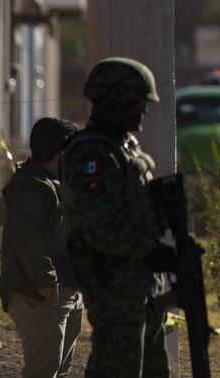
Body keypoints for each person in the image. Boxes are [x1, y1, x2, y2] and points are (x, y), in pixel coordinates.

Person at [59, 57, 173, 378]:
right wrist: (151, 250)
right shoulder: (93, 153)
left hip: (141, 287)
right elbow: (102, 228)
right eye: (138, 103)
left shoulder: (123, 147)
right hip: (114, 287)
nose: (144, 111)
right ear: (114, 101)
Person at [0, 117, 85, 378]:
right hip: (41, 294)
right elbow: (26, 236)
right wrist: (45, 275)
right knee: (43, 370)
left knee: (58, 368)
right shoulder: (32, 185)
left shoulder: (59, 182)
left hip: (67, 291)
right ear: (60, 152)